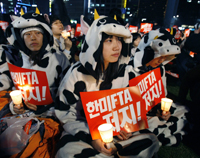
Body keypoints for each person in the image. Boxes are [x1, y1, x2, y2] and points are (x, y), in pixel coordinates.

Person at [55, 15, 159, 158]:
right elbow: (66, 114)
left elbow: (127, 110)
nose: (117, 46)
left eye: (119, 40)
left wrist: (125, 127)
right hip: (84, 132)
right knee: (66, 152)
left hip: (115, 134)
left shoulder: (126, 72)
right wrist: (93, 137)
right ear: (95, 43)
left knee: (151, 140)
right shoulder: (76, 73)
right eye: (109, 40)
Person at [0, 12, 70, 116]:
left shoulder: (59, 58)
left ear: (44, 36)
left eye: (38, 33)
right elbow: (14, 92)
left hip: (53, 116)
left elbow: (68, 92)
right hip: (24, 117)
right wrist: (16, 107)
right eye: (27, 34)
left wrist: (46, 106)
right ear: (21, 38)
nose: (33, 38)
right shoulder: (16, 61)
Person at [131, 28, 188, 146]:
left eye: (165, 57)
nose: (161, 60)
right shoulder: (128, 69)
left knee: (183, 112)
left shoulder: (160, 69)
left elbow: (161, 96)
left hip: (152, 113)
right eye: (159, 55)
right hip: (133, 117)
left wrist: (162, 111)